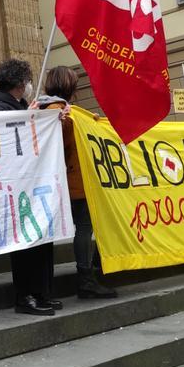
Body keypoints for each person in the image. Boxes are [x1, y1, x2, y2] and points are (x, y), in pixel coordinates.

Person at [0, 58, 59, 316]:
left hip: (31, 184)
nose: (29, 85)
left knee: (39, 239)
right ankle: (25, 296)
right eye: (27, 80)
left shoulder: (18, 106)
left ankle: (41, 292)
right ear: (18, 83)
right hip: (15, 186)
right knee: (25, 244)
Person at [38, 66, 116, 299]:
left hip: (68, 180)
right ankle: (86, 279)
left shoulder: (54, 109)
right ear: (68, 86)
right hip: (72, 181)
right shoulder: (57, 111)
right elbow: (58, 140)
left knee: (86, 227)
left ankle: (86, 276)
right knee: (84, 228)